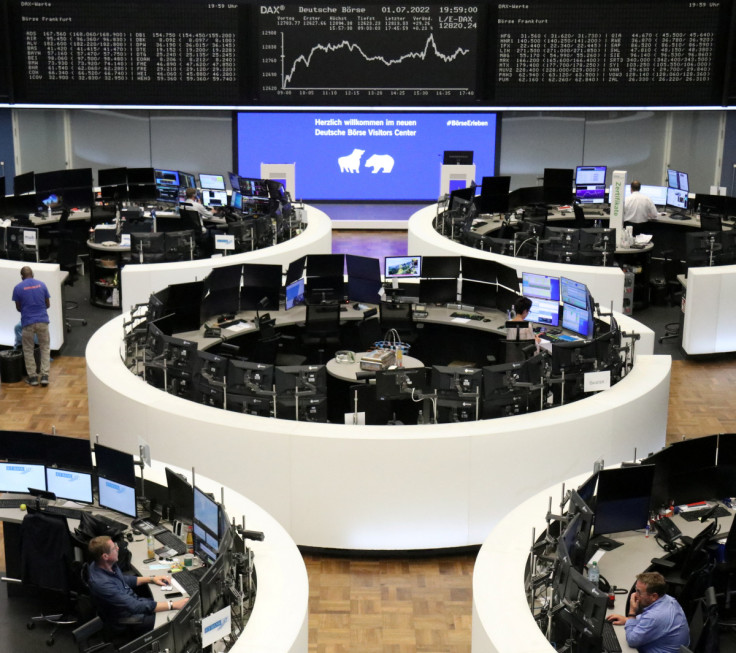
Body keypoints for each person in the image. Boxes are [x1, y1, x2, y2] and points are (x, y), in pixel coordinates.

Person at [87, 535, 188, 639]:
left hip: (134, 603)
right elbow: (135, 606)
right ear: (105, 556)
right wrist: (173, 605)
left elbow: (123, 580)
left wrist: (151, 579)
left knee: (172, 602)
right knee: (175, 617)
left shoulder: (104, 564)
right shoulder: (102, 584)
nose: (118, 548)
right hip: (126, 619)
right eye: (114, 548)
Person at [607, 571, 689, 653]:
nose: (635, 594)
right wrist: (627, 620)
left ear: (654, 596)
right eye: (636, 590)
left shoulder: (655, 616)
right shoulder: (668, 599)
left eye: (639, 592)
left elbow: (632, 641)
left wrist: (632, 612)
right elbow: (646, 618)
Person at [12, 266, 50, 387]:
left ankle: (33, 378)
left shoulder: (18, 288)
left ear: (22, 276)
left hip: (27, 322)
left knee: (28, 349)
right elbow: (47, 304)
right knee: (45, 347)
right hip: (43, 320)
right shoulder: (42, 285)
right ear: (32, 274)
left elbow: (18, 307)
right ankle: (44, 376)